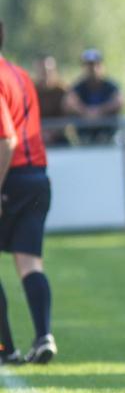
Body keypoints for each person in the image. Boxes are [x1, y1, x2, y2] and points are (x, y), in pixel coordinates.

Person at [0, 20, 56, 365]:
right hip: (37, 177)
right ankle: (43, 336)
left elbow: (7, 140)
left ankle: (6, 348)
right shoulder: (18, 74)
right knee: (29, 262)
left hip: (10, 178)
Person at [63, 49, 122, 120]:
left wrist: (100, 111)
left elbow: (119, 101)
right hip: (86, 129)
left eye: (95, 64)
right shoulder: (79, 87)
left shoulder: (110, 85)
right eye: (89, 65)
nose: (93, 68)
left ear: (102, 66)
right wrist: (85, 112)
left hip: (108, 130)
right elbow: (68, 103)